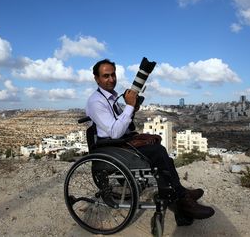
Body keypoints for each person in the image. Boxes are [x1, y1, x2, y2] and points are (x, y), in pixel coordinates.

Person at [86, 58, 214, 223]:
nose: (111, 79)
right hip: (111, 148)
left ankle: (179, 191)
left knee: (157, 148)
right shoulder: (96, 101)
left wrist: (132, 109)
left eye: (113, 75)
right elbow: (115, 131)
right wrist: (130, 106)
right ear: (96, 78)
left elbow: (123, 124)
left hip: (118, 143)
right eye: (106, 76)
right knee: (158, 153)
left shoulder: (112, 96)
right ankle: (182, 200)